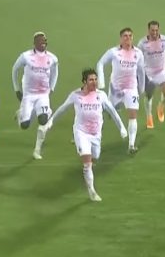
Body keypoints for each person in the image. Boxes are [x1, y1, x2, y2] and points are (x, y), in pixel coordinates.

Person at [46, 68, 128, 202]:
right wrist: (51, 122)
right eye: (91, 80)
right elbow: (63, 108)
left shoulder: (101, 95)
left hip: (96, 134)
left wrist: (122, 128)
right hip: (81, 132)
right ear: (84, 81)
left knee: (95, 156)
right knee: (87, 163)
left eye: (95, 79)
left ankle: (87, 169)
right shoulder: (76, 95)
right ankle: (92, 191)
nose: (94, 82)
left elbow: (112, 111)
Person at [97, 28, 145, 154]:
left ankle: (131, 145)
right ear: (121, 38)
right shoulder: (113, 52)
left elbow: (141, 71)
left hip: (131, 88)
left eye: (130, 35)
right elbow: (100, 63)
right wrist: (101, 83)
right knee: (102, 113)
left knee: (133, 114)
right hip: (115, 90)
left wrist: (141, 88)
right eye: (125, 36)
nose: (128, 38)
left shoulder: (138, 53)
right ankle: (92, 136)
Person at [12, 31, 59, 159]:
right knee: (24, 125)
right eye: (41, 41)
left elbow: (55, 72)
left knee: (43, 120)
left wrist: (52, 87)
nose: (44, 42)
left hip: (43, 94)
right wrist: (17, 89)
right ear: (35, 43)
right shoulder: (26, 56)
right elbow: (15, 69)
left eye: (45, 40)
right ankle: (21, 114)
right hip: (28, 94)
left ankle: (37, 150)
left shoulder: (52, 58)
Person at [137, 21, 165, 129]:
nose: (155, 32)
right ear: (148, 30)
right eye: (152, 30)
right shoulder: (142, 44)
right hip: (149, 72)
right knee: (149, 95)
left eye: (156, 30)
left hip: (162, 70)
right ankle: (149, 116)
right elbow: (139, 59)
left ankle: (161, 106)